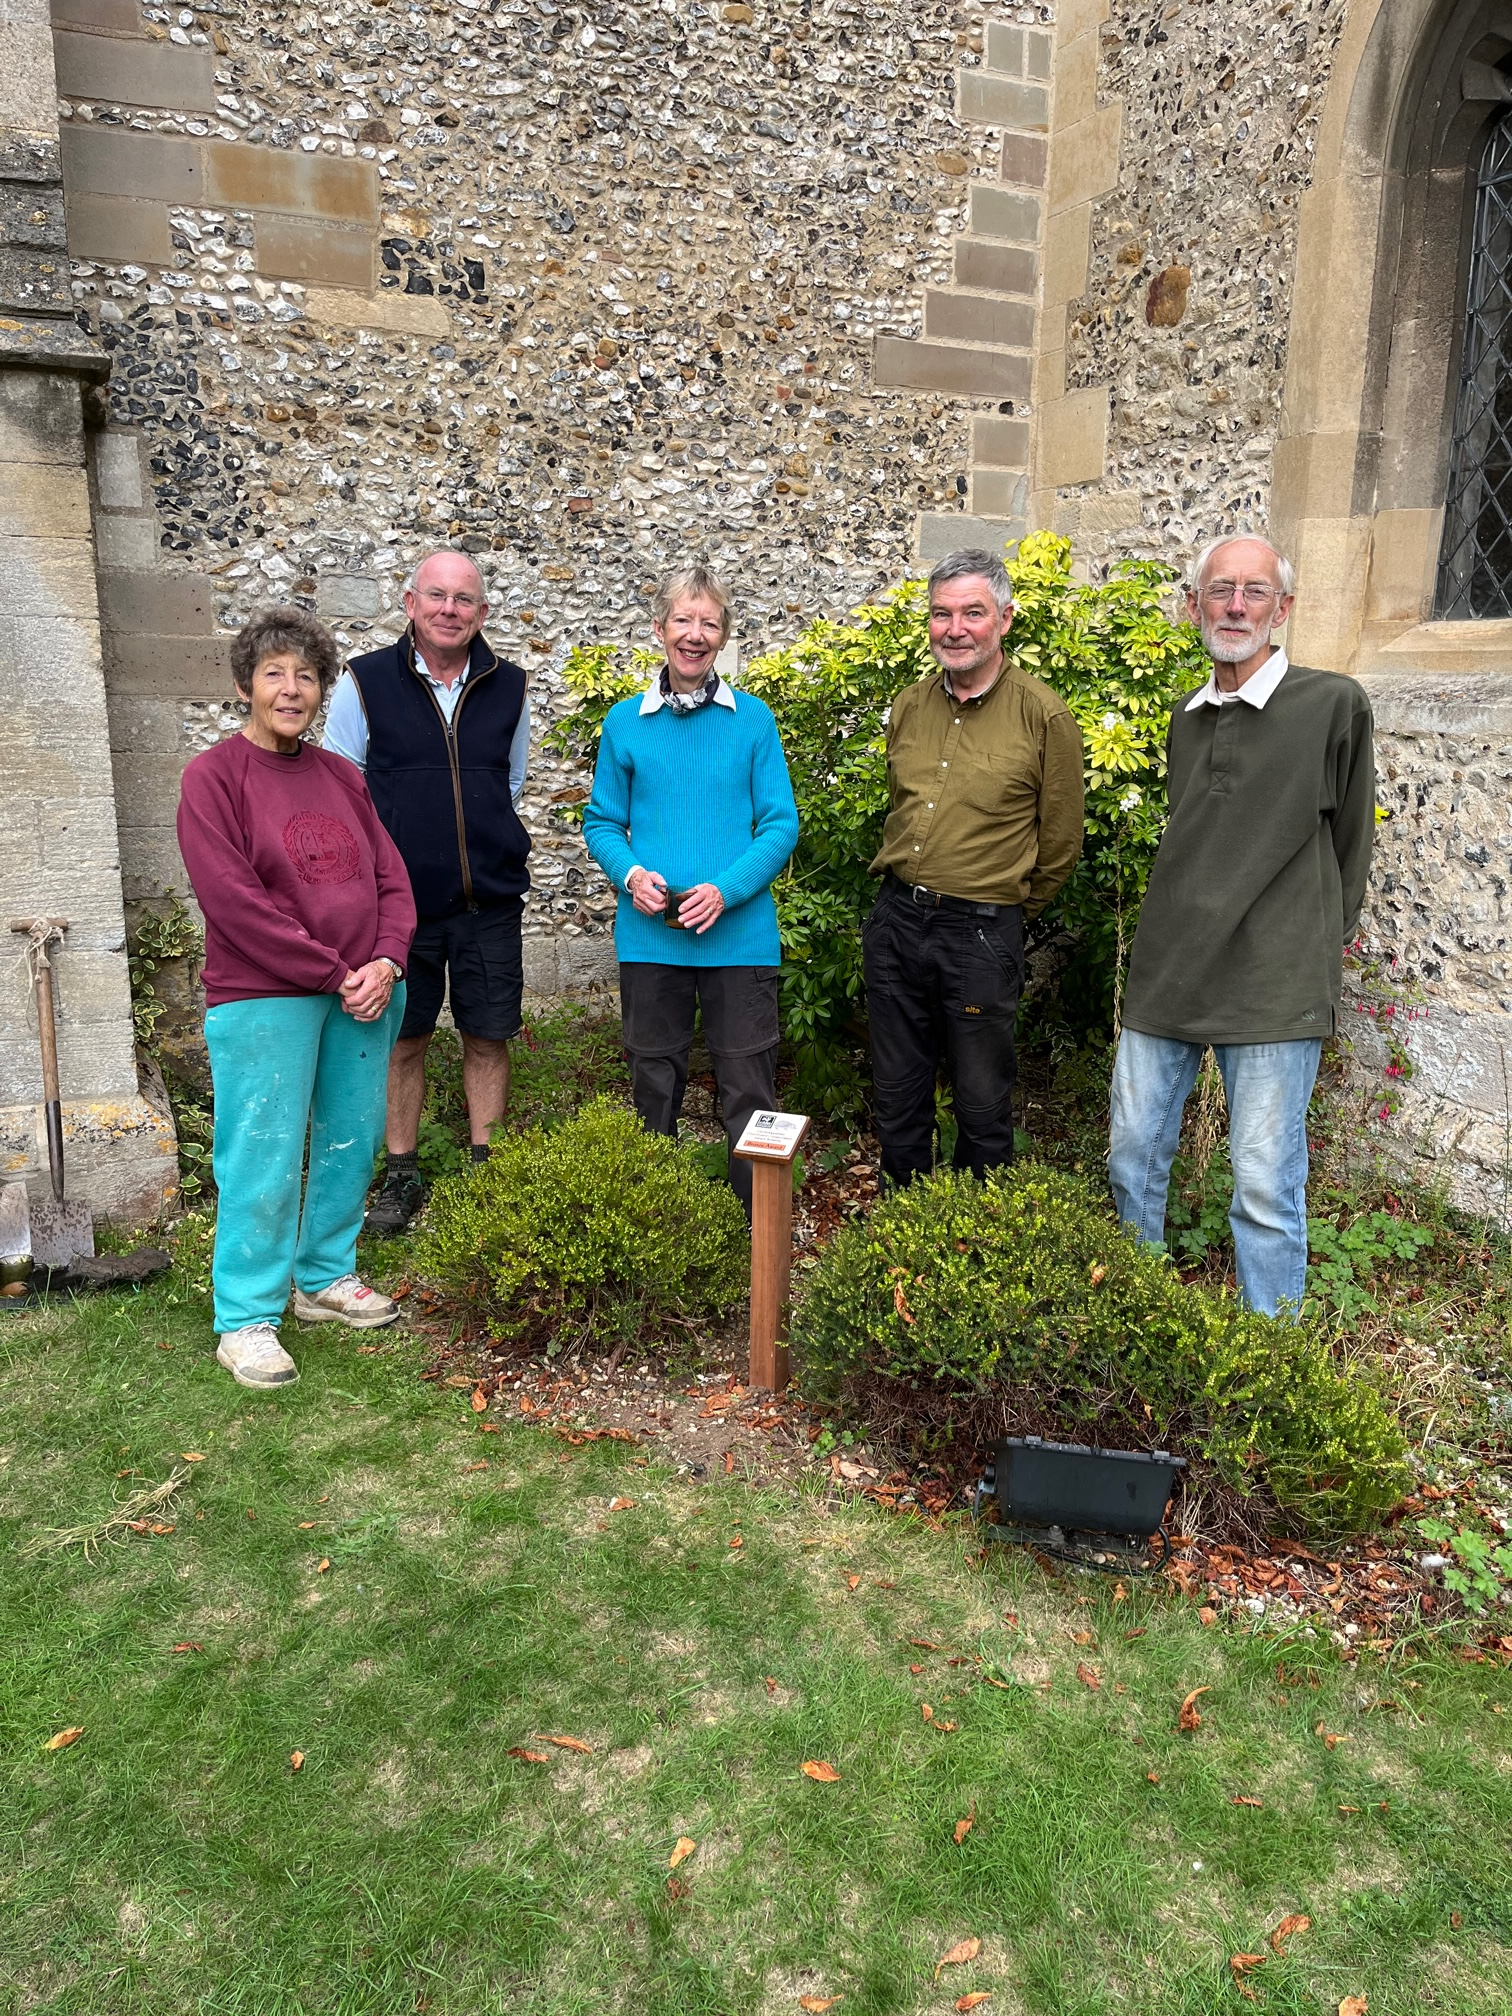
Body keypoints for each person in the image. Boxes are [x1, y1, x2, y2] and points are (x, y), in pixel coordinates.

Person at [1108, 534, 1376, 1318]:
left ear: (1282, 608)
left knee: (1263, 1186)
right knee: (1132, 1161)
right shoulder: (1185, 719)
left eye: (1254, 591)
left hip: (1272, 980)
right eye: (1218, 590)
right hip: (1168, 973)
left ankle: (1272, 1362)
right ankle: (1145, 1321)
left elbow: (1352, 839)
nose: (1235, 605)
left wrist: (1320, 940)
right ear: (1194, 606)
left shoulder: (1334, 705)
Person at [177, 606, 416, 1391]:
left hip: (363, 993)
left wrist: (385, 959)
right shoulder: (213, 779)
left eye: (306, 675)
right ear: (246, 684)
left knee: (351, 1139)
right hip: (264, 996)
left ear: (322, 691)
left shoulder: (342, 777)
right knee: (263, 1157)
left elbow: (391, 878)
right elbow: (234, 901)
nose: (291, 688)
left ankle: (322, 1278)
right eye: (274, 673)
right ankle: (246, 1317)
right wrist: (331, 970)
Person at [322, 551, 531, 1234]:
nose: (450, 610)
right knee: (401, 1040)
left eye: (464, 600)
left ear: (483, 613)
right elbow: (341, 790)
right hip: (395, 912)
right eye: (436, 596)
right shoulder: (365, 682)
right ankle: (401, 1177)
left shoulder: (510, 687)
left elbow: (510, 784)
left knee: (487, 1035)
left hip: (486, 904)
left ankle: (488, 1173)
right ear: (410, 604)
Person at [582, 563, 799, 1220]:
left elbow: (780, 823)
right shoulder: (626, 723)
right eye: (684, 620)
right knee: (653, 1084)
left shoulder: (754, 722)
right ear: (660, 630)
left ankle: (752, 1230)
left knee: (748, 1091)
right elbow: (602, 821)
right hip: (651, 938)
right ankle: (661, 1229)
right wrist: (630, 874)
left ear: (723, 637)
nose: (695, 634)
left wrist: (724, 890)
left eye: (709, 622)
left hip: (740, 941)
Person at [864, 548, 1084, 1187]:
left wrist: (1001, 911)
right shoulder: (909, 705)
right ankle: (904, 1218)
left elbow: (1061, 842)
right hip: (897, 921)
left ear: (1006, 619)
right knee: (897, 1087)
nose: (954, 628)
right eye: (941, 613)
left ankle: (975, 1232)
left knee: (982, 1098)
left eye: (972, 613)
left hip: (982, 934)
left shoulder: (1044, 716)